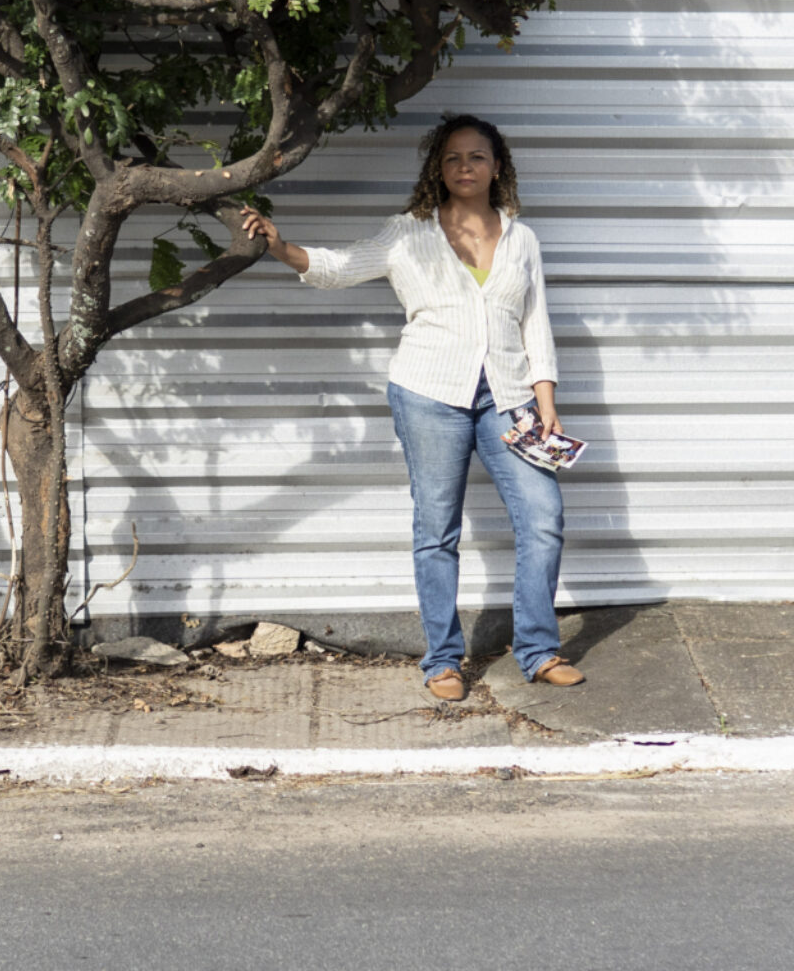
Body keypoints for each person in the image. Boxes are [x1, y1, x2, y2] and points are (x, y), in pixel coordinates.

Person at [241, 113, 584, 701]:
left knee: (543, 518)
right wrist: (280, 246)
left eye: (476, 157)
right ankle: (443, 661)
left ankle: (537, 650)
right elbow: (340, 267)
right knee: (437, 529)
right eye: (452, 159)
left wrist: (546, 403)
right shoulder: (409, 233)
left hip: (508, 397)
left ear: (497, 165)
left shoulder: (521, 238)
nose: (465, 167)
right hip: (429, 393)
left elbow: (535, 324)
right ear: (438, 169)